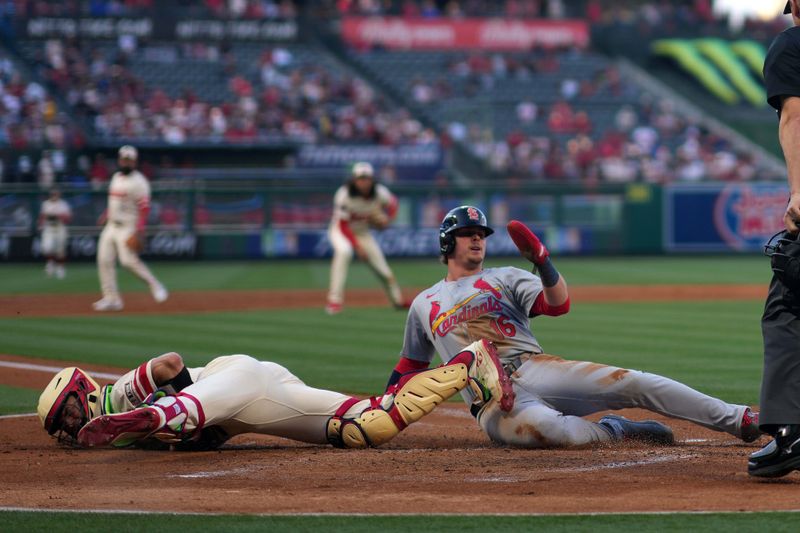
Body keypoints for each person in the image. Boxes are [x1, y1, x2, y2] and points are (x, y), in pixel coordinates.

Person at [387, 205, 762, 448]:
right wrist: (381, 410)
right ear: (446, 242)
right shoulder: (425, 303)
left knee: (635, 381)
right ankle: (617, 429)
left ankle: (741, 419)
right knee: (552, 432)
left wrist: (544, 262)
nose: (477, 240)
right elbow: (409, 368)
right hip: (492, 405)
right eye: (468, 234)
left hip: (535, 368)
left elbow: (558, 305)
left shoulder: (505, 276)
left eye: (482, 235)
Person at [36, 338, 512, 450]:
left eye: (68, 412)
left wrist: (162, 410)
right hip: (251, 404)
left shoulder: (116, 395)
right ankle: (469, 363)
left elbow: (170, 364)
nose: (68, 426)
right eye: (61, 424)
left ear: (83, 391)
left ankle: (163, 417)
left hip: (235, 381)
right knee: (367, 426)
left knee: (176, 412)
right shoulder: (98, 422)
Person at [748, 0, 800, 478]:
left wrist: (799, 192)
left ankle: (790, 433)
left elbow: (794, 117)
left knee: (786, 309)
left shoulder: (792, 44)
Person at [325, 161, 407, 314]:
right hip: (341, 231)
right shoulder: (344, 195)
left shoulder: (379, 192)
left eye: (367, 178)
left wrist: (387, 220)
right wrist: (357, 247)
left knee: (384, 271)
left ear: (372, 179)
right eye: (361, 178)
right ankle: (334, 301)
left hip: (363, 233)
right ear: (354, 180)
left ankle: (398, 301)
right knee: (344, 252)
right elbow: (343, 225)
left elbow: (394, 203)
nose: (364, 182)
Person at [92, 145, 168, 312]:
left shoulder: (139, 182)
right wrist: (105, 214)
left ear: (134, 162)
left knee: (127, 261)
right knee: (104, 260)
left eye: (129, 160)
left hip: (128, 226)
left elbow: (144, 208)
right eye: (123, 159)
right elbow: (114, 201)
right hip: (111, 225)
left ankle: (155, 285)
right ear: (119, 160)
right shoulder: (116, 177)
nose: (125, 162)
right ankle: (112, 299)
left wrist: (140, 229)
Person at [37, 188, 71, 279]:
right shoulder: (46, 204)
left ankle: (61, 268)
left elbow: (68, 218)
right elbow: (42, 216)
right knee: (47, 247)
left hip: (60, 227)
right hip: (49, 228)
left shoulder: (63, 204)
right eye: (53, 194)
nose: (54, 196)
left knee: (60, 250)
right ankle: (50, 264)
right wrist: (40, 225)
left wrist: (57, 216)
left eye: (56, 194)